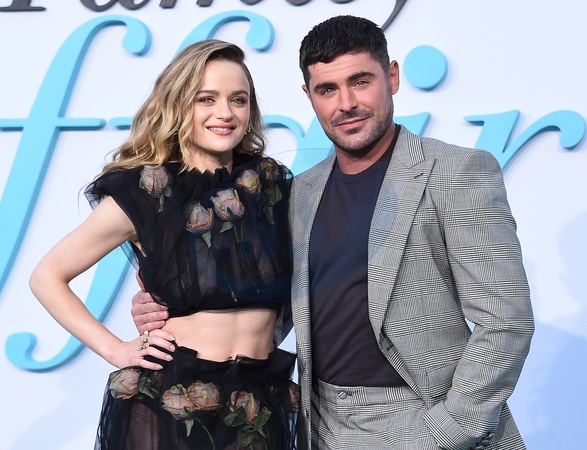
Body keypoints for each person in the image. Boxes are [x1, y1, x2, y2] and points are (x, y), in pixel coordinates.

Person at [133, 15, 535, 450]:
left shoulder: (456, 172)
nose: (346, 104)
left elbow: (505, 321)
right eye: (327, 89)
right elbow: (271, 307)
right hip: (319, 424)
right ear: (309, 96)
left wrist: (449, 429)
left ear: (392, 77)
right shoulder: (298, 192)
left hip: (421, 417)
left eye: (360, 82)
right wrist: (175, 307)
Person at [29, 39, 298, 450]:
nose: (225, 113)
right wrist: (115, 349)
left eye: (238, 99)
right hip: (171, 399)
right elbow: (47, 276)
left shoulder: (268, 184)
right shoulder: (148, 190)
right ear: (178, 104)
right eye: (206, 99)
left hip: (258, 399)